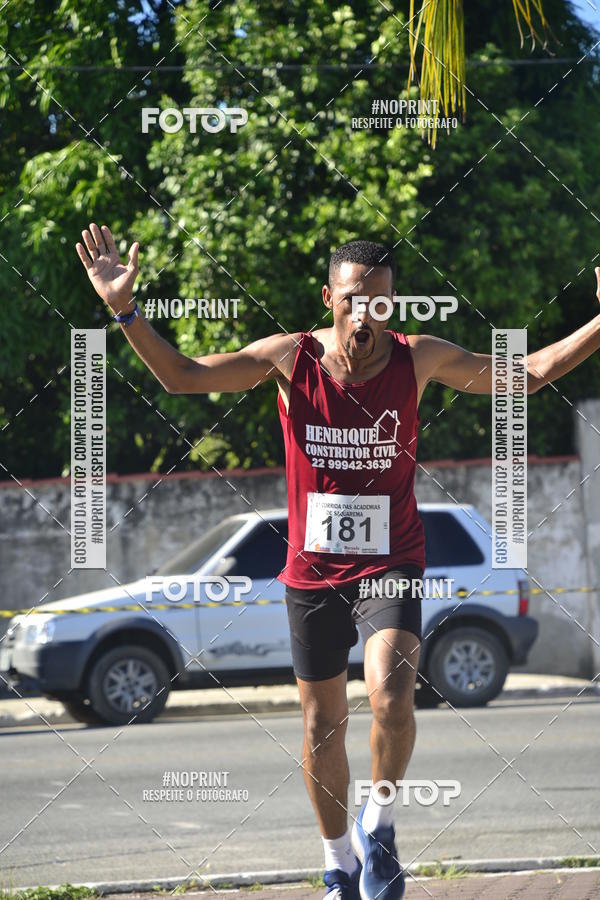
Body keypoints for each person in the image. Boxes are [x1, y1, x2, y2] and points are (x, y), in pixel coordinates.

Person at [76, 223, 600, 900]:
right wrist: (124, 310)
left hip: (393, 560)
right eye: (354, 300)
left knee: (390, 694)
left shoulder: (419, 359)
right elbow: (181, 378)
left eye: (381, 303)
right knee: (323, 726)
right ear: (330, 297)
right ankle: (338, 862)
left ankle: (378, 826)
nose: (367, 316)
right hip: (313, 573)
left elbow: (528, 373)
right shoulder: (288, 359)